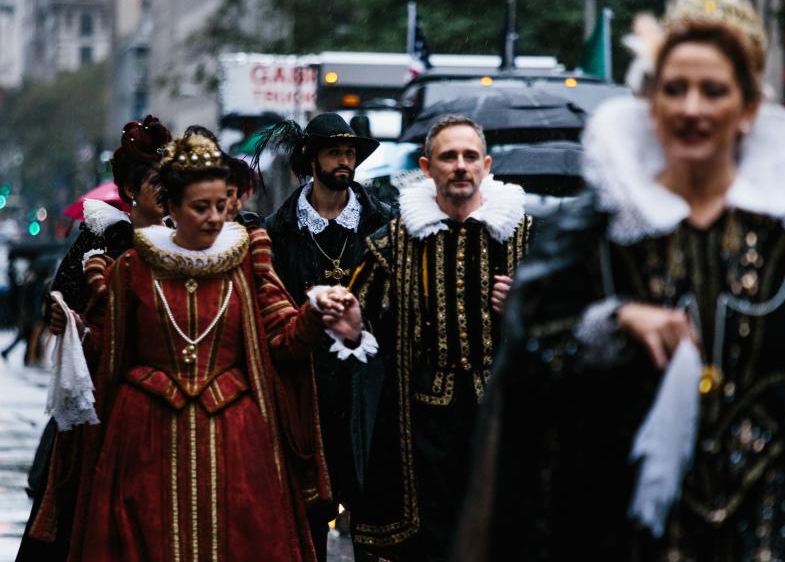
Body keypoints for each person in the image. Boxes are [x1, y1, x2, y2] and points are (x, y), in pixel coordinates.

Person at [455, 0, 785, 561]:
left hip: (778, 520)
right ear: (653, 104)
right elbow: (531, 351)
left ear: (747, 108)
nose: (693, 108)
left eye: (713, 90)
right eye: (676, 90)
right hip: (627, 516)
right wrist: (613, 322)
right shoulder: (605, 225)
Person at [38, 133, 332, 561]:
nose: (214, 218)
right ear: (173, 207)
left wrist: (316, 314)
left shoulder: (250, 261)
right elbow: (105, 353)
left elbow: (283, 341)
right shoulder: (129, 269)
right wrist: (74, 328)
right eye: (200, 207)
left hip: (236, 443)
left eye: (220, 205)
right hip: (143, 442)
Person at [318, 114, 533, 561]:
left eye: (470, 156)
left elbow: (567, 325)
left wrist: (526, 310)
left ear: (487, 166)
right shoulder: (391, 242)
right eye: (448, 156)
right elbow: (356, 327)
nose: (460, 165)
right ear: (426, 166)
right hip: (418, 429)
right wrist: (353, 330)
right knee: (430, 543)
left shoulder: (524, 238)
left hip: (501, 421)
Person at [17, 115, 172, 562]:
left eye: (170, 181)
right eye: (155, 183)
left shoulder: (186, 240)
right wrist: (71, 322)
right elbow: (60, 306)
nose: (165, 192)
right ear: (130, 191)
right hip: (102, 400)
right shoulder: (100, 238)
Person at [255, 112, 394, 555]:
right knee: (306, 516)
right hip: (305, 390)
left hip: (365, 391)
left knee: (372, 515)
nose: (344, 161)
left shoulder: (382, 226)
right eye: (334, 152)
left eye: (350, 153)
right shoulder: (278, 231)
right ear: (311, 160)